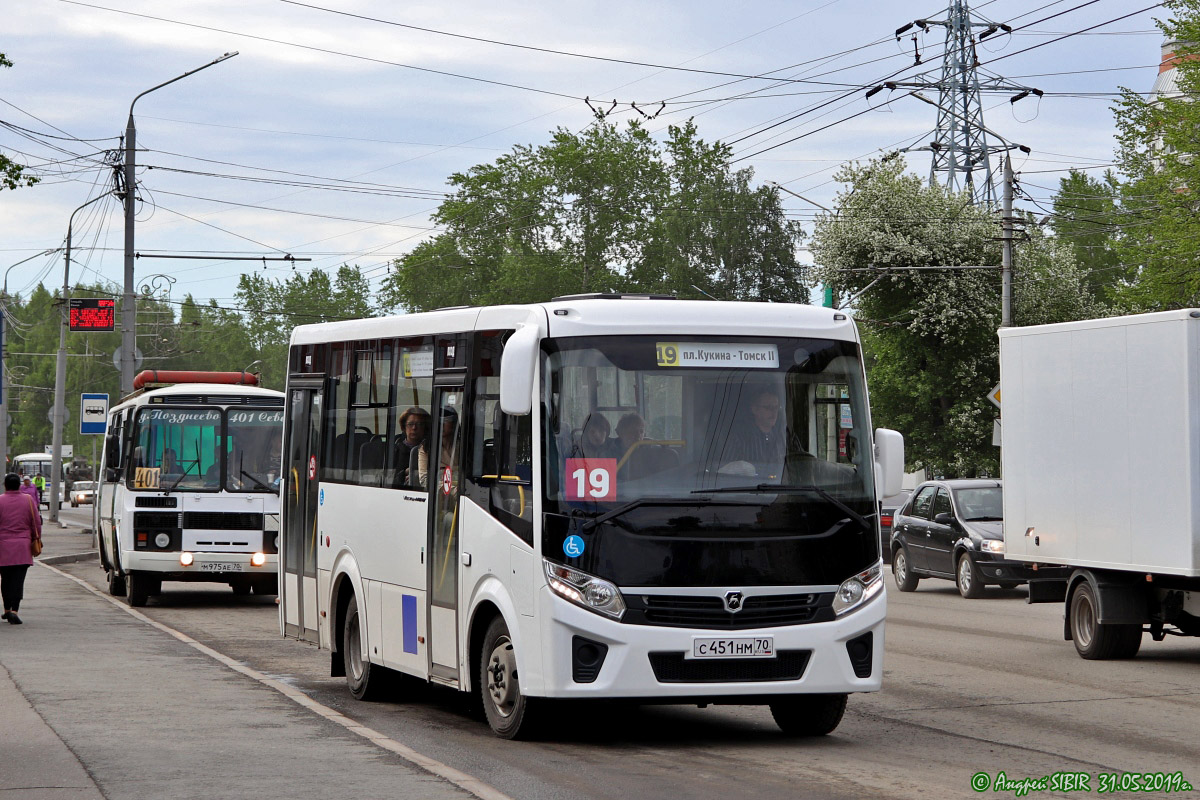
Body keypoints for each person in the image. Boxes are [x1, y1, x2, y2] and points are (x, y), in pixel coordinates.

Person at [0, 472, 43, 625]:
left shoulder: (0, 501)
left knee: (5, 579)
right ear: (19, 484)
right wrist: (36, 538)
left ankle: (6, 609)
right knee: (18, 580)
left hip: (3, 546)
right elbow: (36, 522)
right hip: (23, 546)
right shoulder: (28, 500)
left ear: (5, 485)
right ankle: (14, 610)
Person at [721, 388, 789, 473]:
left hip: (780, 484)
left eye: (776, 407)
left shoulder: (785, 436)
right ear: (754, 409)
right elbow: (725, 472)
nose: (773, 412)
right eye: (768, 407)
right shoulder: (739, 439)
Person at [393, 407, 429, 487]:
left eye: (419, 424)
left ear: (425, 427)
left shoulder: (430, 449)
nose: (414, 428)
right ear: (404, 427)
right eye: (410, 424)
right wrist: (405, 473)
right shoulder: (394, 449)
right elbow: (387, 479)